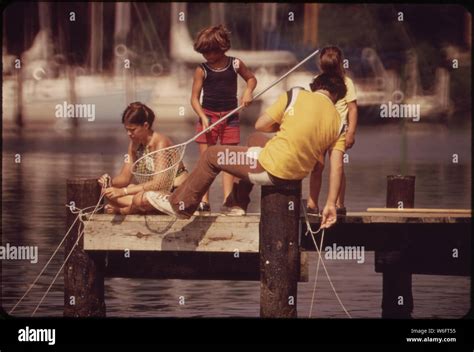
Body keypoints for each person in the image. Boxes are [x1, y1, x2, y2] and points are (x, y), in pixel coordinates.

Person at [145, 73, 347, 229]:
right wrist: (330, 204)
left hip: (269, 167)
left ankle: (181, 205)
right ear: (336, 97)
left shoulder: (295, 95)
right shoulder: (339, 123)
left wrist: (286, 124)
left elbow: (261, 123)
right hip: (294, 176)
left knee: (211, 155)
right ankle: (236, 204)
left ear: (315, 87)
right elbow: (337, 167)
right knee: (254, 140)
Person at [191, 24, 257, 213]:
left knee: (229, 160)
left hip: (230, 116)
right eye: (203, 53)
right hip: (209, 117)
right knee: (206, 160)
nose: (207, 56)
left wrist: (248, 92)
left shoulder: (235, 64)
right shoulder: (201, 69)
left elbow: (251, 79)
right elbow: (194, 98)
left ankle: (229, 201)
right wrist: (202, 116)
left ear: (222, 48)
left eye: (210, 52)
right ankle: (204, 201)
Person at [97, 102, 188, 215]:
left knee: (139, 199)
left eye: (133, 130)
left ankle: (124, 211)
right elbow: (125, 178)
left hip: (175, 195)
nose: (129, 134)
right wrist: (108, 183)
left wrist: (123, 191)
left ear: (146, 126)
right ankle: (136, 207)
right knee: (108, 192)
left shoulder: (160, 142)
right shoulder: (134, 144)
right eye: (127, 130)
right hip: (154, 194)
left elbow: (159, 184)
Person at [307, 46, 358, 215]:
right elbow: (312, 106)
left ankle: (338, 203)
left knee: (337, 167)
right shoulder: (317, 81)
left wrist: (351, 132)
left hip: (339, 130)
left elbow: (352, 109)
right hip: (320, 130)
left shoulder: (346, 82)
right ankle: (312, 203)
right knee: (317, 166)